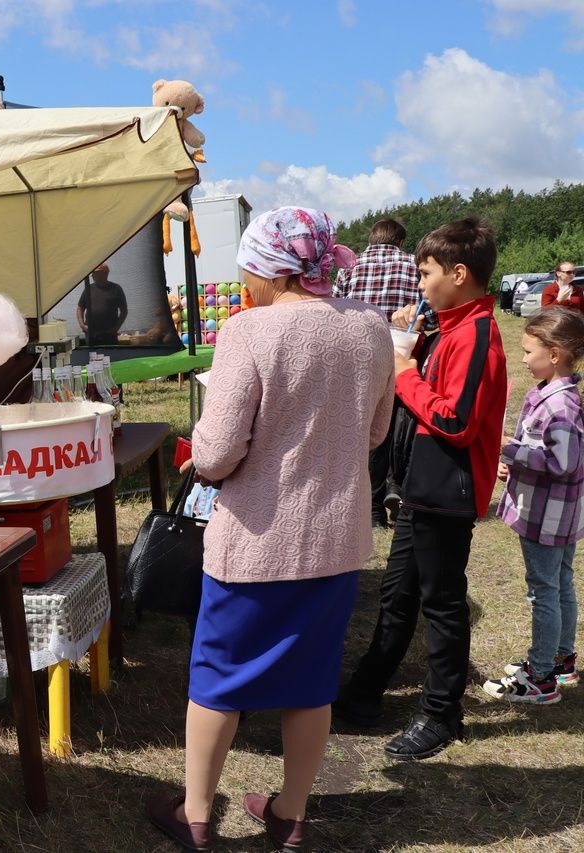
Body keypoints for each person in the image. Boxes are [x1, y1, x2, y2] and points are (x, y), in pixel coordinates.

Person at [146, 207, 394, 852]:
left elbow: (218, 453)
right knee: (311, 682)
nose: (245, 280)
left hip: (256, 540)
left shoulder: (249, 331)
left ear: (268, 268)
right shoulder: (369, 329)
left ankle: (196, 814)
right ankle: (290, 812)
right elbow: (375, 432)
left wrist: (199, 444)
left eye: (248, 267)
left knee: (218, 681)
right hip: (336, 537)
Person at [336, 218, 507, 761]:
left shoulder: (478, 334)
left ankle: (441, 713)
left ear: (459, 274)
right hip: (419, 485)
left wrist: (405, 371)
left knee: (442, 603)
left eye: (426, 272)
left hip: (446, 490)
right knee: (397, 594)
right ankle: (365, 693)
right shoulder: (448, 326)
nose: (419, 282)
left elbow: (457, 421)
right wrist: (415, 339)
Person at [481, 307, 584, 705]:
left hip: (545, 517)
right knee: (560, 585)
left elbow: (563, 462)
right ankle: (560, 659)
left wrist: (513, 451)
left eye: (527, 351)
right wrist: (520, 460)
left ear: (554, 354)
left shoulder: (559, 408)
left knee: (544, 591)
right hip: (559, 514)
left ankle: (540, 677)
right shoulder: (558, 396)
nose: (522, 359)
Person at [336, 218, 437, 528]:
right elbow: (431, 313)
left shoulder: (350, 267)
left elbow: (335, 308)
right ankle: (392, 491)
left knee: (365, 431)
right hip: (400, 355)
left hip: (357, 358)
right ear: (401, 241)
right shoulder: (413, 266)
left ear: (372, 239)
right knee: (395, 427)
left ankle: (370, 508)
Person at [76, 262, 128, 345]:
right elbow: (80, 308)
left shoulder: (116, 289)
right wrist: (82, 325)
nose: (92, 276)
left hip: (109, 333)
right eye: (92, 273)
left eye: (95, 273)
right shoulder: (88, 288)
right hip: (91, 333)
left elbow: (124, 311)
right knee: (92, 356)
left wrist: (116, 327)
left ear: (104, 274)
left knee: (111, 355)